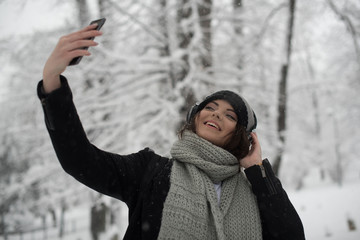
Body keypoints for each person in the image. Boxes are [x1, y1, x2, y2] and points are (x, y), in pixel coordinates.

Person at [37, 24, 305, 240]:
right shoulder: (150, 172)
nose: (215, 114)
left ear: (242, 135)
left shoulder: (255, 191)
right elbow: (80, 160)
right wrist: (52, 80)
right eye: (210, 107)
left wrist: (258, 171)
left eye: (230, 115)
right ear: (195, 117)